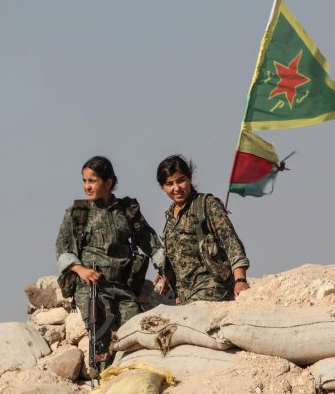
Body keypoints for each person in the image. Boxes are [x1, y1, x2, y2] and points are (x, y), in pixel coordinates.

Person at [55, 155, 163, 369]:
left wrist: (165, 268)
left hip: (123, 288)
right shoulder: (77, 213)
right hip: (92, 288)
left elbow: (150, 243)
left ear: (109, 182)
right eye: (84, 180)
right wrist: (80, 269)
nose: (87, 186)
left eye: (92, 181)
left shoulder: (127, 211)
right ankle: (101, 378)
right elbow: (62, 250)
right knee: (100, 341)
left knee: (135, 335)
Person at [154, 155, 250, 304]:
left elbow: (231, 243)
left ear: (190, 178)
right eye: (169, 184)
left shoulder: (206, 205)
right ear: (162, 187)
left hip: (212, 287)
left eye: (181, 180)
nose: (176, 188)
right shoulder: (170, 216)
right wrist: (166, 275)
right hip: (185, 295)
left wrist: (240, 280)